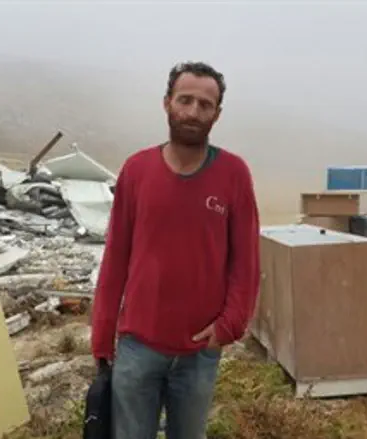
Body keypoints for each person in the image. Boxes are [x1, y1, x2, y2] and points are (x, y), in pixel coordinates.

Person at [90, 61, 260, 439]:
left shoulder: (233, 174)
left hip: (198, 352)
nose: (193, 112)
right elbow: (116, 256)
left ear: (217, 113)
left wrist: (229, 325)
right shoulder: (137, 170)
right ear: (167, 103)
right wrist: (102, 333)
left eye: (205, 104)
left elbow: (246, 260)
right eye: (185, 100)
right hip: (137, 346)